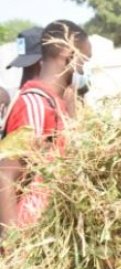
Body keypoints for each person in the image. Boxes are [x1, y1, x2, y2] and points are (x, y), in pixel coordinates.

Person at [0, 20, 91, 234]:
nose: (83, 70)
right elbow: (5, 175)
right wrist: (16, 242)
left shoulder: (56, 104)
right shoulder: (36, 105)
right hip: (31, 234)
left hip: (51, 230)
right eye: (83, 62)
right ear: (69, 55)